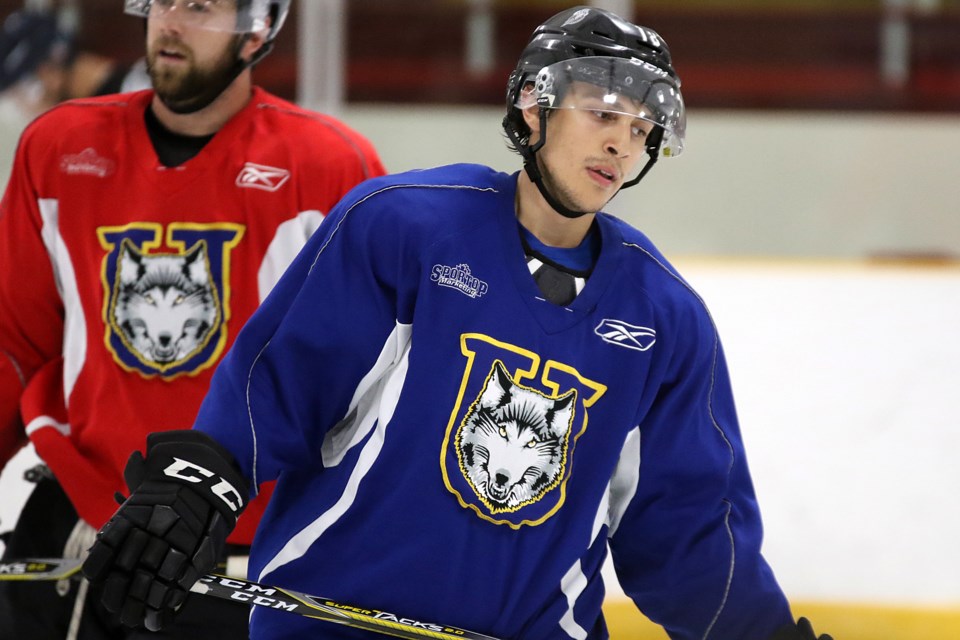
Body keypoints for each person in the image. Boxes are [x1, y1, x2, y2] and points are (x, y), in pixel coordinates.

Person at [82, 6, 830, 640]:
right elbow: (280, 386)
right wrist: (197, 482)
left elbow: (688, 533)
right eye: (603, 113)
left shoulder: (665, 319)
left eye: (640, 129)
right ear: (534, 109)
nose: (621, 143)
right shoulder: (404, 227)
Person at [0, 0, 384, 637]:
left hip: (242, 546)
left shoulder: (331, 167)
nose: (170, 22)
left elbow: (373, 388)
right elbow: (15, 343)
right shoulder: (58, 147)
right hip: (79, 522)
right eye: (161, 2)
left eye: (200, 6)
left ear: (257, 27)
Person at [0, 8, 151, 185]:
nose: (27, 102)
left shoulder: (144, 95)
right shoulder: (90, 121)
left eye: (27, 85)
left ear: (50, 69)